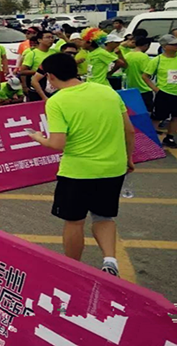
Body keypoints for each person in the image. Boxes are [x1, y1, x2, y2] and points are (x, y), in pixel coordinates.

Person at [28, 53, 135, 277]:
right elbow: (129, 130)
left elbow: (57, 143)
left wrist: (38, 137)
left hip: (78, 172)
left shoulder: (57, 101)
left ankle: (73, 269)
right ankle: (110, 260)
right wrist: (128, 158)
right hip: (113, 168)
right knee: (104, 217)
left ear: (50, 76)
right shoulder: (106, 91)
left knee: (74, 222)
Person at [143, 34, 177, 149]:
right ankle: (150, 139)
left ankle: (170, 138)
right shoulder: (157, 60)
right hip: (165, 93)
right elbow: (145, 76)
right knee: (158, 117)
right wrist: (156, 89)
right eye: (173, 44)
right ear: (164, 46)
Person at [19, 31, 55, 101]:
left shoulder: (55, 52)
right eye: (48, 37)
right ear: (39, 40)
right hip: (38, 85)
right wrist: (40, 72)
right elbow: (22, 71)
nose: (51, 40)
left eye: (52, 37)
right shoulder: (32, 54)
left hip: (53, 85)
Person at [121, 37, 155, 113]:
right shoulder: (144, 57)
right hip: (144, 88)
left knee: (134, 112)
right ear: (146, 45)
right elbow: (147, 72)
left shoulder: (127, 55)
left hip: (130, 88)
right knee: (147, 112)